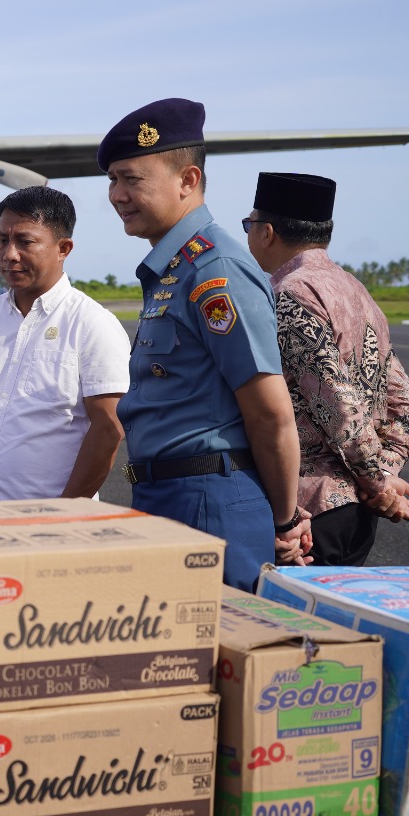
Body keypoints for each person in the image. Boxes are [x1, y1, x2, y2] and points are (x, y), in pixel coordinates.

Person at [102, 98, 311, 590]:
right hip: (167, 496)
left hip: (208, 502)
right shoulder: (175, 268)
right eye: (111, 180)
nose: (116, 195)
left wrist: (284, 520)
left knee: (215, 636)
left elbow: (270, 413)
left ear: (187, 180)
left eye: (131, 179)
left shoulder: (214, 269)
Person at [245, 172, 409, 565]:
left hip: (310, 515)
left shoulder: (290, 295)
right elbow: (406, 406)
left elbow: (340, 407)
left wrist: (379, 484)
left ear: (267, 232)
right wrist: (383, 477)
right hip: (358, 514)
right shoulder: (356, 291)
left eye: (249, 224)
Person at [0, 186, 129, 502]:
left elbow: (108, 428)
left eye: (25, 242)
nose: (9, 254)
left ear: (63, 248)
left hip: (54, 520)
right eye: (2, 240)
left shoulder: (92, 323)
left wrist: (64, 513)